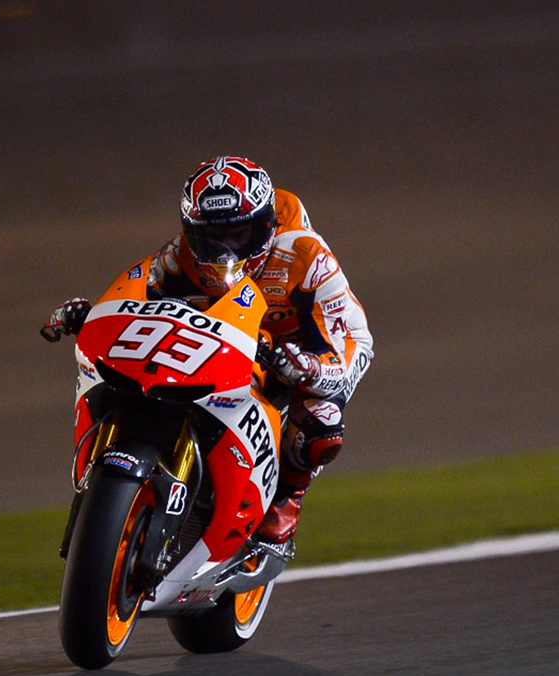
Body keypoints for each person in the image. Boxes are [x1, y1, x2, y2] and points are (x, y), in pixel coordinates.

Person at [42, 156, 373, 543]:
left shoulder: (307, 258)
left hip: (301, 352)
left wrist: (311, 368)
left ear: (266, 225)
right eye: (210, 236)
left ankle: (287, 496)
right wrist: (94, 313)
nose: (225, 248)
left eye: (239, 234)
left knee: (321, 422)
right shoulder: (182, 254)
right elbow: (139, 291)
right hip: (225, 343)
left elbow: (350, 345)